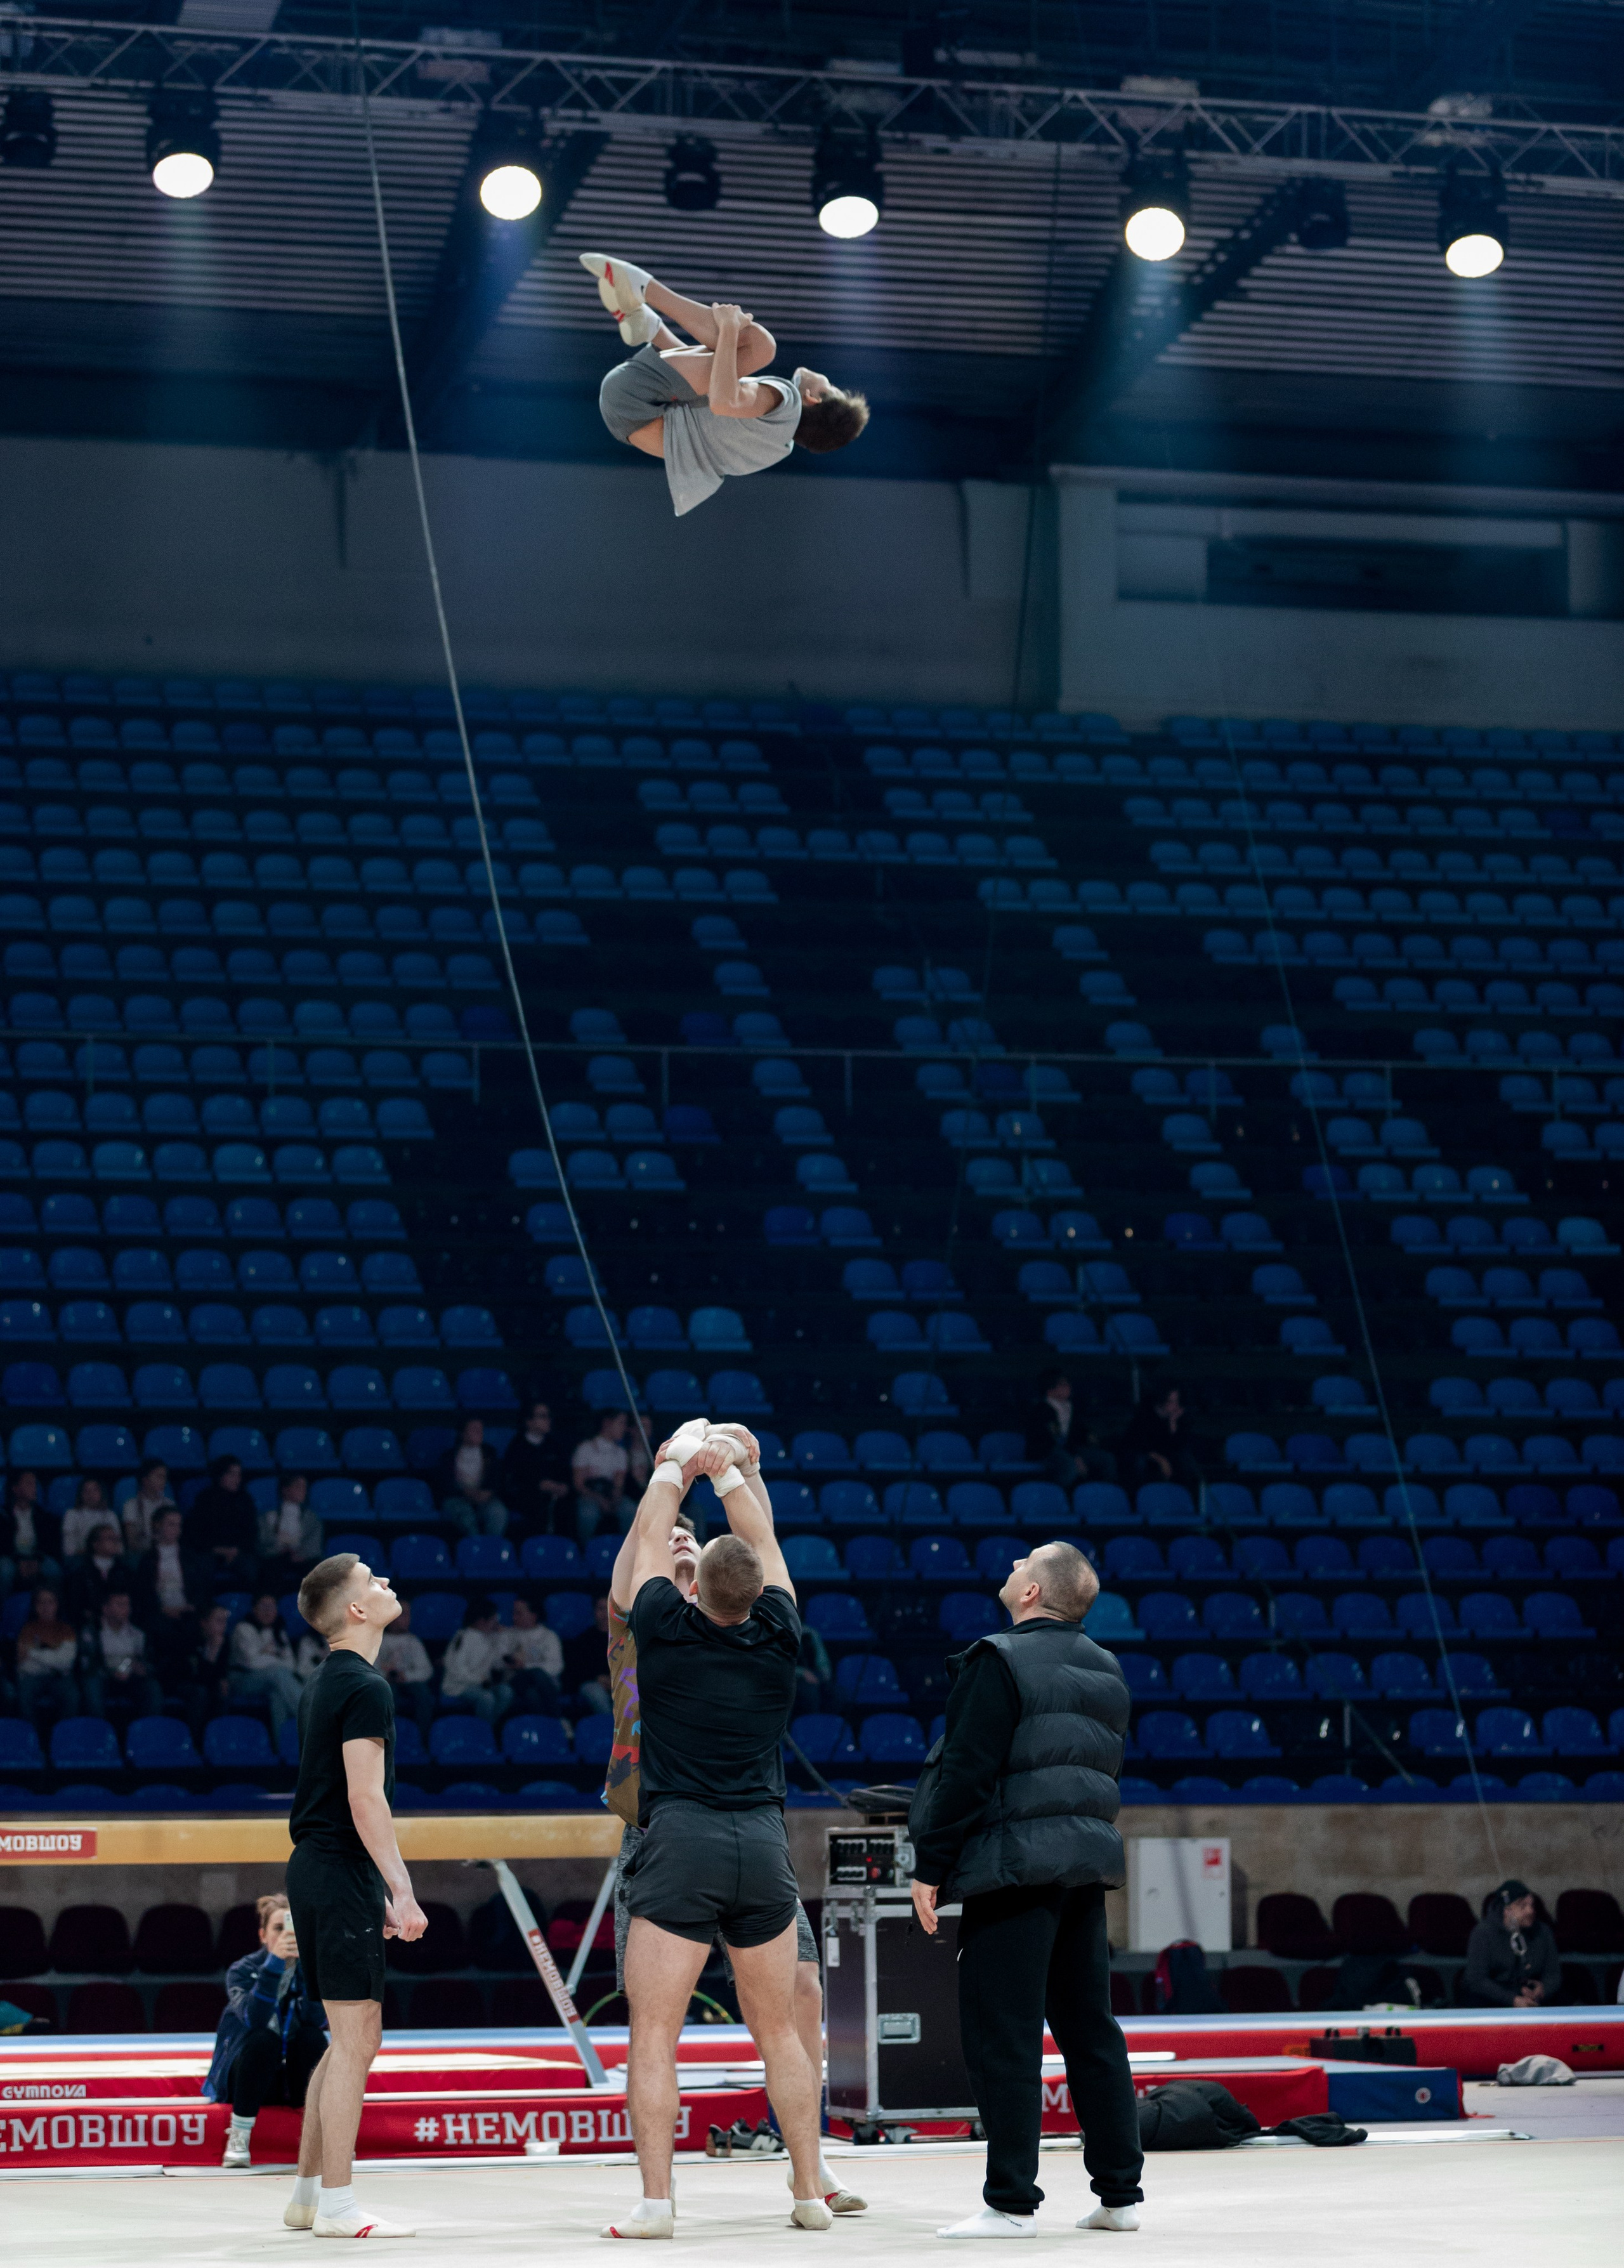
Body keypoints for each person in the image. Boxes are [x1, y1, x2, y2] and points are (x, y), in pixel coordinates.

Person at [603, 1457, 862, 2224]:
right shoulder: (775, 1630)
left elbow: (660, 1536)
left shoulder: (662, 1625)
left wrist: (677, 1468)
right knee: (776, 2025)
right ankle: (808, 2189)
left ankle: (669, 2198)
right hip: (750, 1834)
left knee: (660, 2031)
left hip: (685, 1833)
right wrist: (733, 1473)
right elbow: (762, 1545)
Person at [910, 1541, 1144, 2239]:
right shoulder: (1106, 1666)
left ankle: (1010, 2201)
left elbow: (966, 1772)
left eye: (1024, 1562)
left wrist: (930, 1865)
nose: (1010, 1564)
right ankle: (1120, 2194)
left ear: (1034, 1592)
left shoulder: (997, 1656)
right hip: (1082, 1869)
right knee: (1090, 2030)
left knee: (1003, 2036)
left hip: (1014, 1869)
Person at [282, 1549, 427, 2239]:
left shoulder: (324, 1680)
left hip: (316, 1865)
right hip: (339, 1867)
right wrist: (401, 1889)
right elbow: (365, 1798)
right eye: (374, 1580)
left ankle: (308, 2195)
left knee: (341, 2042)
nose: (387, 1582)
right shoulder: (366, 1686)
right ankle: (339, 2204)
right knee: (354, 2039)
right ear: (357, 1610)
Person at [582, 254, 868, 516]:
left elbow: (722, 402)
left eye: (829, 385)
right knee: (724, 369)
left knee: (761, 346)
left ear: (814, 398)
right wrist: (663, 336)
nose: (823, 377)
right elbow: (702, 398)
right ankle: (647, 325)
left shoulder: (786, 402)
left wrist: (730, 326)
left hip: (635, 399)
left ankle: (644, 288)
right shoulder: (777, 445)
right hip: (630, 418)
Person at [206, 1894, 331, 2169]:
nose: (288, 1935)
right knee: (264, 2040)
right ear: (263, 1935)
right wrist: (274, 1965)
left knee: (314, 2038)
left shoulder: (312, 1968)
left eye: (296, 1929)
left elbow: (318, 2020)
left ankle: (324, 2138)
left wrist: (310, 1969)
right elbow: (256, 2018)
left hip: (294, 2080)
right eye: (279, 1928)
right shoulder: (243, 1970)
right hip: (248, 2080)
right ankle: (238, 2136)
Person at [133, 1503, 212, 1680]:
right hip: (159, 1614)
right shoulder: (147, 1560)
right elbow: (143, 1594)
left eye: (178, 1525)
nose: (176, 1529)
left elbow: (200, 1589)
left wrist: (191, 1607)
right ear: (157, 1526)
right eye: (171, 1524)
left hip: (188, 1612)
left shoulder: (191, 1558)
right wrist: (162, 1609)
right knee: (162, 1628)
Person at [1460, 1880, 1562, 2009]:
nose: (1530, 1911)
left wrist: (1543, 1990)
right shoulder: (1483, 1933)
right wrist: (1512, 2000)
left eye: (1532, 1905)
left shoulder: (1543, 1932)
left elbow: (1553, 1974)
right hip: (1494, 2000)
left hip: (1531, 1998)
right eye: (1522, 1906)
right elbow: (1477, 1980)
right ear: (1507, 1910)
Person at [230, 1592, 305, 1743]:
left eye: (272, 1607)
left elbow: (291, 1665)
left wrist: (265, 1654)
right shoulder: (243, 1629)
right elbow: (251, 1663)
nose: (268, 1611)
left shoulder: (279, 1632)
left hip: (270, 1682)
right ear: (254, 1609)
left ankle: (283, 1746)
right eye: (264, 1607)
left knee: (278, 1696)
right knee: (278, 1673)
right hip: (242, 1679)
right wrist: (276, 1657)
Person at [1024, 1370, 1116, 1488]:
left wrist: (1090, 1437)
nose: (1068, 1387)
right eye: (1063, 1385)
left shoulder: (1069, 1408)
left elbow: (1078, 1431)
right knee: (1069, 1466)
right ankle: (1058, 1497)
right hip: (1046, 1451)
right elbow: (1057, 1438)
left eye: (1067, 1384)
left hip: (1068, 1449)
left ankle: (1105, 1495)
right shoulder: (1043, 1410)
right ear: (1050, 1390)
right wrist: (1075, 1457)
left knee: (1107, 1459)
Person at [82, 1589, 161, 1721]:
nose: (126, 1609)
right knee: (91, 1685)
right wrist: (111, 1673)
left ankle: (146, 1734)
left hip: (130, 1678)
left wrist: (142, 1669)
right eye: (120, 1604)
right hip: (104, 1678)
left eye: (127, 1605)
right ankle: (99, 1733)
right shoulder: (93, 1632)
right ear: (106, 1609)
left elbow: (147, 1662)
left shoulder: (137, 1634)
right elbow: (87, 1665)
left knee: (152, 1688)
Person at [498, 1399, 573, 1533]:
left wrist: (563, 1486)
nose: (548, 1420)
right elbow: (511, 1482)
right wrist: (538, 1486)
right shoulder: (517, 1447)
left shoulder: (555, 1446)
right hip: (528, 1500)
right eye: (542, 1416)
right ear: (529, 1421)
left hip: (556, 1498)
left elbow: (565, 1473)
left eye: (548, 1416)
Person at [439, 1596, 514, 1723]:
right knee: (487, 1698)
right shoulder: (463, 1637)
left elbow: (498, 1665)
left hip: (482, 1685)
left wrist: (502, 1637)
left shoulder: (491, 1638)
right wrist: (479, 1680)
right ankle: (485, 1732)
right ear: (480, 1621)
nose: (496, 1624)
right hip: (459, 1686)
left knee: (506, 1692)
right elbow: (456, 1670)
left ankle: (489, 1727)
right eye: (492, 1620)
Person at [1117, 1386, 1202, 1495]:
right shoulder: (1145, 1416)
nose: (1176, 1406)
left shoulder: (1176, 1419)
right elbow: (1139, 1445)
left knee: (1185, 1460)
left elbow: (1178, 1446)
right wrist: (1161, 1460)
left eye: (1177, 1401)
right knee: (1140, 1463)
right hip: (1142, 1454)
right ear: (1162, 1402)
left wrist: (1173, 1424)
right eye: (1172, 1402)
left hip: (1163, 1454)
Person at [15, 1586, 81, 1727]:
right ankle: (32, 1740)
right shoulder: (27, 1630)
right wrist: (53, 1658)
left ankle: (64, 1738)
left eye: (50, 1602)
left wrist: (33, 1654)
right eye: (41, 1603)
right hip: (33, 1678)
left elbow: (66, 1663)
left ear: (57, 1605)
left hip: (60, 1677)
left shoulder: (66, 1630)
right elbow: (24, 1665)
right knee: (24, 1694)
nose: (46, 1607)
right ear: (36, 1606)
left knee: (72, 1695)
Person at [188, 1455, 258, 1583]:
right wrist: (218, 1550)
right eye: (232, 1474)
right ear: (220, 1475)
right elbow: (196, 1532)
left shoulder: (245, 1500)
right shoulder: (205, 1499)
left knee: (252, 1569)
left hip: (239, 1552)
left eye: (239, 1475)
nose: (237, 1479)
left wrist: (236, 1550)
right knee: (200, 1568)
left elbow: (251, 1531)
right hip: (210, 1551)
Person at [435, 1417, 508, 1538]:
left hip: (485, 1498)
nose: (479, 1433)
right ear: (462, 1433)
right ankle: (475, 1545)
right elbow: (445, 1483)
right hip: (458, 1498)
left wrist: (487, 1493)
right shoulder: (448, 1457)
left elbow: (496, 1478)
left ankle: (493, 1546)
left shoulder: (490, 1453)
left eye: (481, 1430)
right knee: (465, 1515)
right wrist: (464, 1492)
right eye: (474, 1429)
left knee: (498, 1512)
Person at [572, 1408, 634, 1543]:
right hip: (589, 1495)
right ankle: (585, 1549)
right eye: (621, 1423)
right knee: (587, 1513)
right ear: (607, 1424)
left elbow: (619, 1484)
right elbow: (579, 1484)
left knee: (630, 1509)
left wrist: (615, 1500)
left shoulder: (621, 1453)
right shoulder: (585, 1449)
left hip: (610, 1494)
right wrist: (599, 1500)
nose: (624, 1428)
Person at [376, 1599, 435, 1737]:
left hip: (409, 1681)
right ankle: (387, 1737)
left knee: (424, 1694)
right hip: (385, 1682)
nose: (407, 1619)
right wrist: (385, 1676)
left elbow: (426, 1670)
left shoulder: (413, 1641)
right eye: (402, 1614)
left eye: (408, 1614)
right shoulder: (377, 1640)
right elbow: (370, 1666)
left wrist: (406, 1676)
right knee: (386, 1695)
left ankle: (422, 1737)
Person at [180, 1601, 235, 1741]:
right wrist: (213, 1652)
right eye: (218, 1621)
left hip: (210, 1684)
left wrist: (223, 1680)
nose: (223, 1625)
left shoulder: (225, 1642)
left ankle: (219, 1740)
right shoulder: (190, 1641)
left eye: (225, 1621)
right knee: (200, 1692)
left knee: (223, 1691)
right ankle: (195, 1741)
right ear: (204, 1623)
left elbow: (221, 1672)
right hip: (185, 1683)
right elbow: (198, 1677)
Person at [1, 1472, 60, 1594]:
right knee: (5, 1570)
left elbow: (50, 1545)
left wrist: (37, 1560)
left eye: (35, 1484)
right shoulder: (3, 1516)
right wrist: (18, 1561)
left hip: (38, 1557)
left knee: (54, 1570)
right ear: (16, 1489)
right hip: (11, 1558)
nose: (35, 1488)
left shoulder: (44, 1517)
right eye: (29, 1484)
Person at [64, 1521, 131, 1629]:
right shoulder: (81, 1573)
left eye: (116, 1539)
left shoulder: (126, 1572)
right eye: (110, 1539)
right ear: (95, 1544)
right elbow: (75, 1605)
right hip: (91, 1625)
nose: (116, 1542)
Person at [504, 1596, 563, 1715]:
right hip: (516, 1681)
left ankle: (546, 1728)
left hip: (545, 1685)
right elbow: (498, 1661)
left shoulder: (548, 1636)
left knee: (533, 1693)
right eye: (514, 1613)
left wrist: (526, 1666)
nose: (514, 1617)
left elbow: (556, 1666)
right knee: (536, 1674)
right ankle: (559, 1719)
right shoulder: (507, 1635)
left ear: (533, 1615)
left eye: (519, 1613)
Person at [261, 1472, 322, 1578]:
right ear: (285, 1489)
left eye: (305, 1487)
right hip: (276, 1557)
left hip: (303, 1558)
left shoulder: (311, 1517)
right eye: (298, 1486)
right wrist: (280, 1549)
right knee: (269, 1569)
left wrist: (302, 1554)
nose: (303, 1491)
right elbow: (263, 1541)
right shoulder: (269, 1515)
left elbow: (314, 1543)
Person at [565, 1593, 614, 1715]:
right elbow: (575, 1670)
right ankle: (609, 1729)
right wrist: (598, 1678)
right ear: (594, 1611)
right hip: (593, 1683)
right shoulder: (584, 1640)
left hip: (621, 1682)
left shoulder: (628, 1638)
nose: (605, 1614)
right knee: (596, 1693)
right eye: (601, 1609)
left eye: (610, 1608)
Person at [120, 1457, 175, 1555]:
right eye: (159, 1477)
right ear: (145, 1480)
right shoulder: (131, 1506)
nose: (164, 1481)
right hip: (141, 1555)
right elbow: (132, 1542)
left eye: (164, 1477)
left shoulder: (170, 1505)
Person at [59, 1478, 114, 1563]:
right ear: (81, 1494)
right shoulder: (71, 1515)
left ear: (101, 1493)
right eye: (86, 1491)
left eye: (95, 1490)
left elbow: (119, 1547)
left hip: (109, 1558)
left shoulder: (110, 1515)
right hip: (80, 1559)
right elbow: (69, 1550)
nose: (91, 1495)